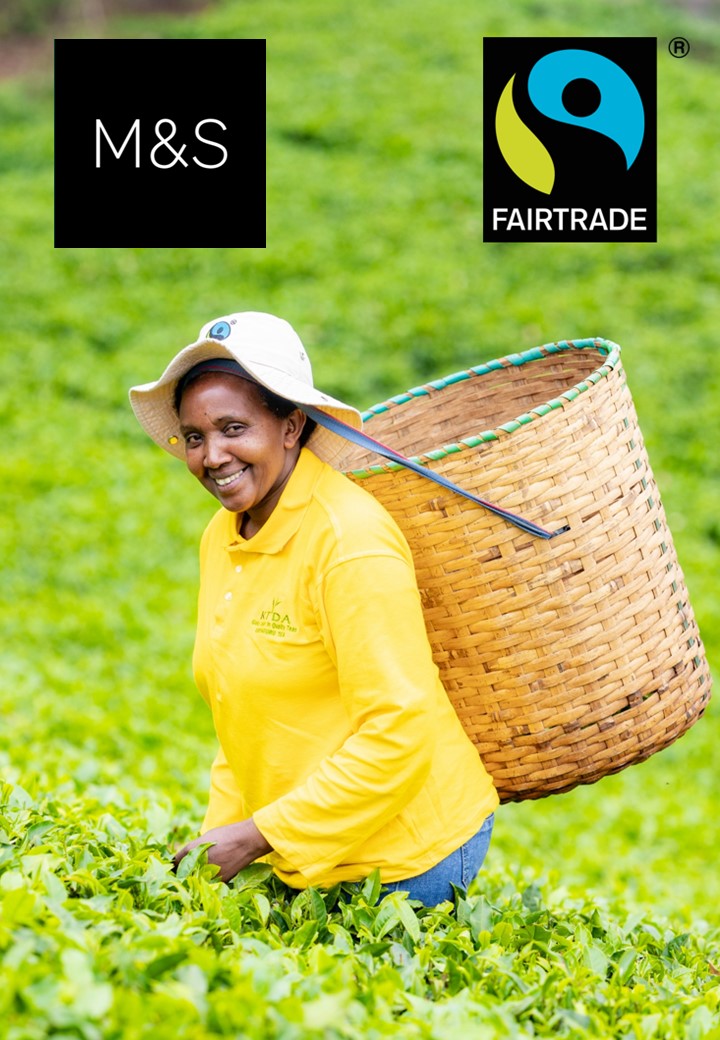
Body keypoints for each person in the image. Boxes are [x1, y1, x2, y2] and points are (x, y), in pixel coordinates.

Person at [129, 311, 499, 906]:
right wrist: (215, 843)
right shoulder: (223, 534)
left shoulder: (349, 542)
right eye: (195, 437)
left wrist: (254, 837)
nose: (212, 456)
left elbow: (399, 731)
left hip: (402, 854)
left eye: (232, 428)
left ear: (291, 426)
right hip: (300, 844)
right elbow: (240, 712)